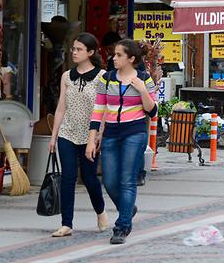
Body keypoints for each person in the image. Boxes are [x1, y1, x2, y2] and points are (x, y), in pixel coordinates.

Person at [87, 39, 157, 245]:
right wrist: (92, 139)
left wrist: (143, 90)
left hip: (134, 133)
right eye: (114, 54)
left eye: (118, 55)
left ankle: (122, 226)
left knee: (127, 180)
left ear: (131, 59)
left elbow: (152, 111)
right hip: (111, 133)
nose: (113, 58)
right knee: (108, 180)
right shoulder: (107, 79)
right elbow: (98, 110)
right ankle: (128, 209)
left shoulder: (144, 78)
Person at [48, 33, 108, 238]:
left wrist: (99, 134)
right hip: (67, 132)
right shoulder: (66, 76)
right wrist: (54, 136)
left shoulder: (102, 77)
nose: (74, 52)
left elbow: (104, 109)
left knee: (90, 178)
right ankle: (66, 223)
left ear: (90, 52)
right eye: (73, 48)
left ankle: (100, 212)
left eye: (79, 49)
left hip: (90, 135)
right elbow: (61, 107)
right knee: (68, 177)